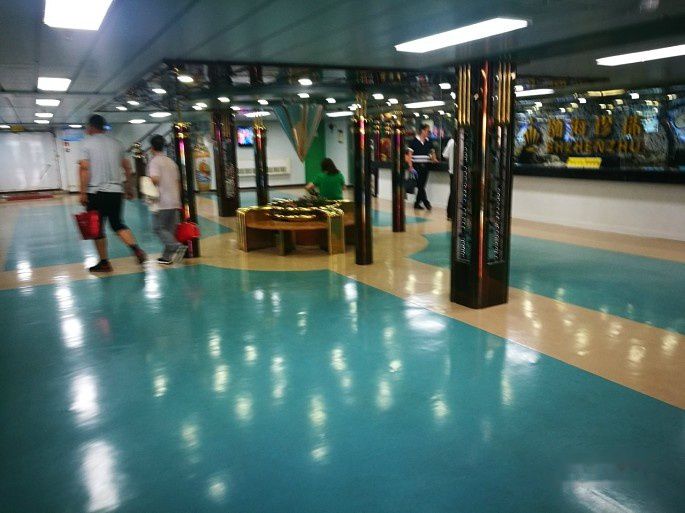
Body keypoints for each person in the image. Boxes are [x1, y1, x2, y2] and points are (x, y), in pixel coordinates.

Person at [79, 114, 146, 272]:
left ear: (91, 127)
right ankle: (136, 248)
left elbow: (84, 169)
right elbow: (127, 167)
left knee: (97, 229)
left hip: (95, 192)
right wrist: (128, 188)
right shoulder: (117, 144)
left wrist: (82, 192)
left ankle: (104, 263)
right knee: (117, 224)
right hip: (116, 192)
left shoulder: (86, 144)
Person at [147, 134, 186, 265]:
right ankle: (166, 257)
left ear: (152, 148)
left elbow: (155, 179)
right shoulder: (171, 162)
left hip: (162, 201)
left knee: (158, 228)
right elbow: (178, 182)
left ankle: (176, 246)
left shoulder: (154, 161)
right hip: (174, 200)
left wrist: (146, 182)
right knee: (169, 230)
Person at [407, 123, 437, 210]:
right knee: (420, 185)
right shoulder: (414, 141)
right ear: (422, 131)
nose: (428, 132)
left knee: (422, 185)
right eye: (427, 131)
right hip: (416, 167)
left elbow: (432, 152)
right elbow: (409, 154)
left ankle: (417, 203)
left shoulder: (429, 141)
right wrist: (410, 166)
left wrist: (434, 159)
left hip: (426, 166)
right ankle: (426, 202)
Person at [442, 137, 455, 220]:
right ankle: (451, 213)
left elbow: (445, 155)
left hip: (452, 171)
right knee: (454, 193)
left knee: (453, 192)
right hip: (456, 172)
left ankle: (450, 214)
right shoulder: (455, 142)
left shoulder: (451, 141)